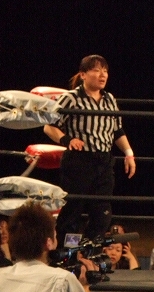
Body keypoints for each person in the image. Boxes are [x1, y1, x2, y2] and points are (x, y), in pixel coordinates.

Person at [43, 54, 136, 248]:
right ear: (83, 74)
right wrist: (67, 140)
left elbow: (117, 130)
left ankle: (89, 251)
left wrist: (129, 153)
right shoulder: (71, 98)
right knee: (73, 211)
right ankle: (68, 252)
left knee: (102, 213)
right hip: (79, 161)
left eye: (105, 71)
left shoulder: (110, 99)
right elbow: (49, 126)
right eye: (96, 70)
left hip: (104, 161)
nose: (102, 75)